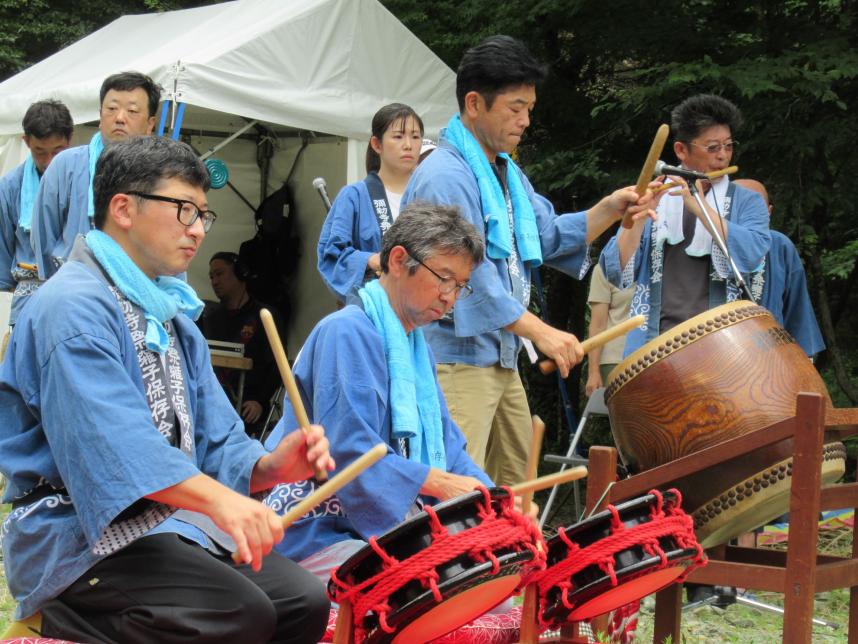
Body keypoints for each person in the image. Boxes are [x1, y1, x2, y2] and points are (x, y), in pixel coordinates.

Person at [0, 136, 335, 643]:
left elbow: (217, 436)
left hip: (162, 525)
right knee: (236, 613)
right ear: (123, 209)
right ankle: (60, 622)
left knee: (301, 601)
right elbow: (113, 449)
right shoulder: (72, 307)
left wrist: (271, 467)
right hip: (72, 535)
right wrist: (221, 503)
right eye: (184, 210)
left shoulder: (172, 317)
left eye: (204, 215)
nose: (198, 229)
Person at [402, 35, 658, 485]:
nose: (524, 121)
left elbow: (545, 234)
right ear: (475, 103)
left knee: (518, 487)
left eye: (529, 110)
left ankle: (517, 558)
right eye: (515, 108)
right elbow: (467, 280)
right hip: (453, 361)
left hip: (497, 357)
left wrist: (610, 209)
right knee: (457, 494)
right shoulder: (446, 175)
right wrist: (542, 332)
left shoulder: (505, 171)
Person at [265, 203, 494, 576]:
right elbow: (351, 453)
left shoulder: (417, 350)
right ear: (400, 260)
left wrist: (495, 502)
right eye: (444, 278)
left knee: (492, 577)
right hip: (317, 528)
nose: (450, 297)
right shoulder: (346, 331)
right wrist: (436, 483)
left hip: (377, 527)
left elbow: (450, 452)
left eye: (460, 286)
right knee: (425, 590)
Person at [600, 94, 771, 357]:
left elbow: (755, 253)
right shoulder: (656, 196)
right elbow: (615, 270)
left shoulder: (747, 201)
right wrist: (638, 217)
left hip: (725, 346)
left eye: (728, 146)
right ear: (681, 150)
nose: (723, 156)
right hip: (655, 345)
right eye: (713, 148)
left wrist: (701, 209)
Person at [31, 71, 160, 282]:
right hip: (73, 287)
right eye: (111, 109)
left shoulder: (161, 174)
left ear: (150, 124)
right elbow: (43, 235)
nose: (119, 118)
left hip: (139, 291)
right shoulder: (66, 165)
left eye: (132, 111)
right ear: (100, 116)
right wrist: (56, 282)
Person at [317, 103, 424, 302]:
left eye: (415, 136)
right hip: (373, 307)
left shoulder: (428, 195)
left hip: (425, 313)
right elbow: (331, 255)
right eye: (398, 136)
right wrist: (370, 259)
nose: (408, 144)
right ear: (377, 144)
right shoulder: (354, 196)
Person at [0, 100, 73, 325]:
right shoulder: (11, 186)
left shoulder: (85, 181)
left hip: (74, 294)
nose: (49, 161)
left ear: (69, 141)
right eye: (40, 152)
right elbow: (3, 247)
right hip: (28, 295)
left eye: (57, 151)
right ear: (26, 142)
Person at [733, 178, 824, 357]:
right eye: (739, 208)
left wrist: (804, 360)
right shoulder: (704, 244)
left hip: (773, 356)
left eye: (755, 209)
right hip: (717, 357)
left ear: (769, 212)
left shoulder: (779, 245)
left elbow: (797, 309)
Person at [200, 251, 282, 437]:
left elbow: (278, 365)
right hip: (213, 406)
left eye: (220, 274)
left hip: (249, 408)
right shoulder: (208, 317)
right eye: (211, 276)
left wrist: (260, 401)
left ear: (241, 274)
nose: (214, 281)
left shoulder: (265, 315)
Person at [585, 264, 634, 396]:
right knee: (627, 414)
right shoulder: (606, 266)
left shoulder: (662, 257)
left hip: (661, 351)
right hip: (618, 358)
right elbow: (597, 324)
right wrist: (593, 371)